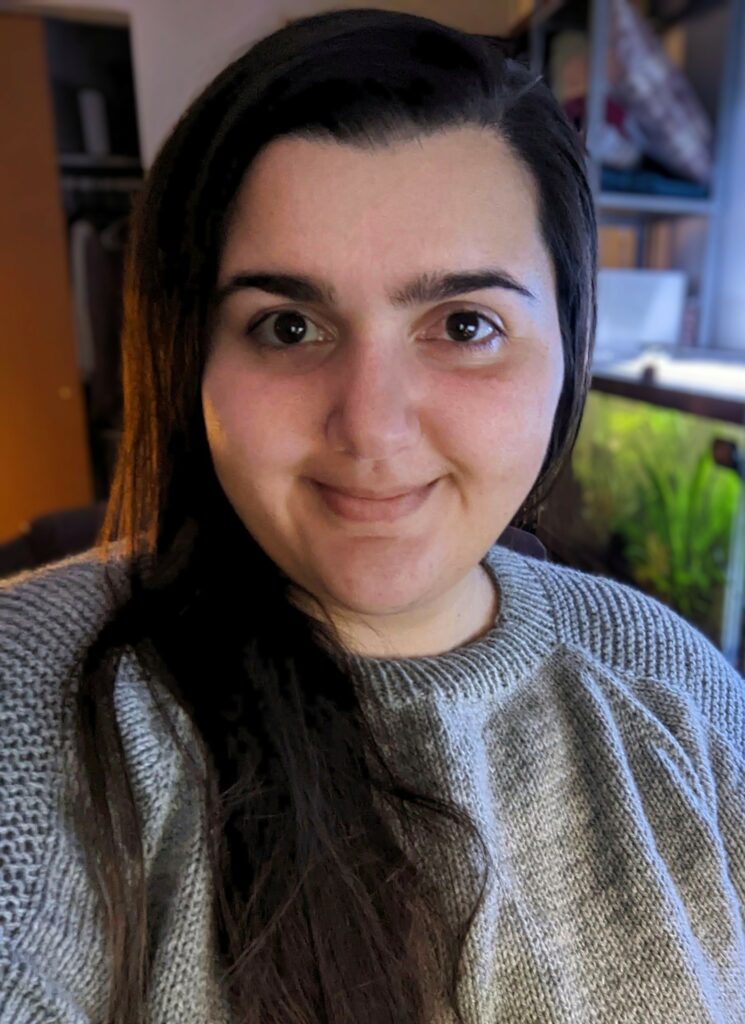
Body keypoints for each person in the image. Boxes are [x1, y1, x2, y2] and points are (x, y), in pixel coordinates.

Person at [1, 8, 743, 1024]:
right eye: (288, 325)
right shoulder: (37, 697)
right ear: (189, 357)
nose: (372, 427)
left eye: (466, 325)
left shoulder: (674, 683)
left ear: (568, 343)